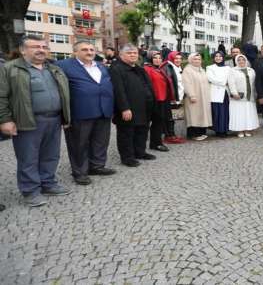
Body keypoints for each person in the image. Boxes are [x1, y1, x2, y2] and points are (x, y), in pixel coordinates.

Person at [0, 35, 71, 206]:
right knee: (28, 158)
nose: (41, 50)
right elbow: (1, 96)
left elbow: (64, 93)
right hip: (27, 121)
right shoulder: (9, 69)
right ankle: (30, 191)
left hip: (54, 119)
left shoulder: (53, 68)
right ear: (23, 50)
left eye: (44, 46)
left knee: (51, 155)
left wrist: (66, 116)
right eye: (35, 46)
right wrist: (5, 120)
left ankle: (48, 183)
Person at [56, 41, 116, 186]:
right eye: (84, 50)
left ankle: (97, 166)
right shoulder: (63, 66)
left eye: (91, 49)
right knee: (78, 144)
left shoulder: (101, 66)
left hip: (103, 110)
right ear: (75, 52)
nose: (89, 52)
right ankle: (80, 172)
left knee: (100, 141)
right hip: (80, 112)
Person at [109, 44, 156, 167]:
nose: (133, 55)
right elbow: (118, 90)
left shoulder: (139, 68)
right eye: (129, 53)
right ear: (121, 55)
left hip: (143, 107)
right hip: (128, 107)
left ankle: (140, 152)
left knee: (142, 130)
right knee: (126, 133)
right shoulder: (116, 69)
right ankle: (127, 157)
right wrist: (124, 108)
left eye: (135, 53)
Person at [144, 52, 174, 151]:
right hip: (153, 100)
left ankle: (156, 143)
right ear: (150, 59)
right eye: (155, 58)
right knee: (148, 123)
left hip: (163, 99)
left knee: (159, 122)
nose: (158, 60)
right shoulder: (147, 69)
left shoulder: (160, 69)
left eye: (159, 58)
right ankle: (141, 146)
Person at [206, 51, 236, 137]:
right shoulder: (210, 67)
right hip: (215, 92)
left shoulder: (228, 68)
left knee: (225, 111)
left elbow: (230, 79)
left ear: (223, 58)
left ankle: (225, 129)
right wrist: (223, 81)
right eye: (216, 56)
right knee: (217, 112)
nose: (218, 58)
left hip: (225, 92)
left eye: (220, 56)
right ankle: (218, 130)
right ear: (214, 58)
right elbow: (210, 78)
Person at [229, 55, 259, 137]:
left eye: (243, 60)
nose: (241, 61)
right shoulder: (232, 70)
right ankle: (239, 130)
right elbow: (231, 83)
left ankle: (247, 129)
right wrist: (234, 93)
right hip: (238, 97)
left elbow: (254, 83)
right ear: (236, 61)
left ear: (246, 61)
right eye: (239, 60)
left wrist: (256, 93)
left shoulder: (251, 70)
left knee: (248, 113)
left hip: (250, 96)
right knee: (239, 114)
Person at [161, 51, 186, 144]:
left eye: (180, 58)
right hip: (169, 96)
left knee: (171, 116)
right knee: (169, 117)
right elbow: (168, 83)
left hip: (176, 96)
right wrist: (172, 96)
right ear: (171, 58)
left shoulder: (177, 67)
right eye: (176, 58)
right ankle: (169, 136)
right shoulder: (167, 67)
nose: (178, 60)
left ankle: (171, 135)